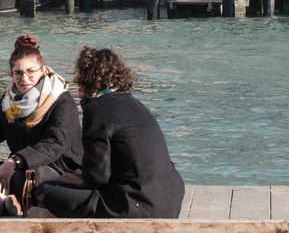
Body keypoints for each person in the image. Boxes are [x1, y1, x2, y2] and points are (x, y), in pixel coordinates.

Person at [33, 47, 185, 219]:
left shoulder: (97, 109)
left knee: (46, 190)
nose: (75, 79)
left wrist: (73, 181)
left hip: (135, 205)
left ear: (92, 78)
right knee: (68, 183)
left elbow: (97, 177)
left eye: (80, 73)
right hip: (170, 201)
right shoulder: (135, 103)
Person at [0, 35, 81, 204]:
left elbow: (54, 143)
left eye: (31, 71)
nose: (24, 79)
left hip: (60, 171)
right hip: (20, 166)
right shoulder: (8, 102)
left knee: (26, 179)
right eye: (18, 73)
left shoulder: (61, 101)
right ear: (12, 74)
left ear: (43, 71)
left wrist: (15, 160)